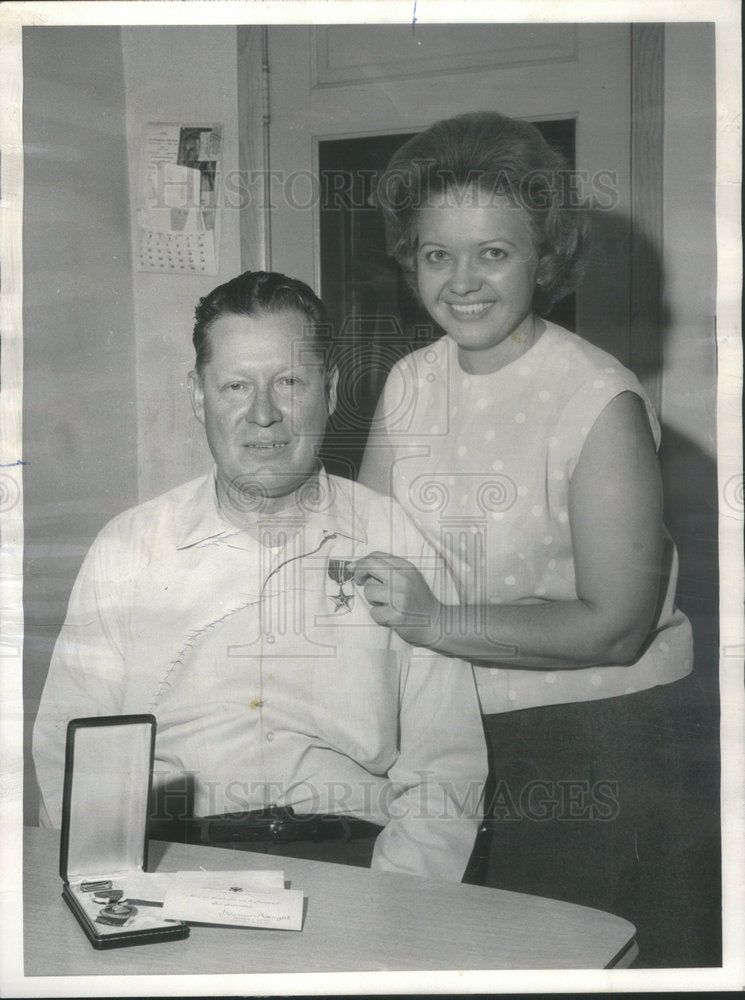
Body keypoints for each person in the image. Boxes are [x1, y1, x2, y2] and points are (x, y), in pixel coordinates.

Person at [32, 270, 487, 882]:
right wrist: (113, 889)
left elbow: (445, 767)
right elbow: (70, 749)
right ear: (198, 396)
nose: (263, 415)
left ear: (328, 391)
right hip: (173, 863)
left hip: (357, 863)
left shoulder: (397, 539)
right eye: (236, 386)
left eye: (291, 382)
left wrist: (397, 902)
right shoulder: (130, 548)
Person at [356, 112, 694, 917]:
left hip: (590, 742)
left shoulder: (595, 397)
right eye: (437, 255)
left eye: (493, 254)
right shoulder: (410, 380)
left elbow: (614, 626)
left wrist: (435, 622)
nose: (461, 281)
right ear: (411, 262)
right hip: (442, 736)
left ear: (543, 259)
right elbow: (365, 545)